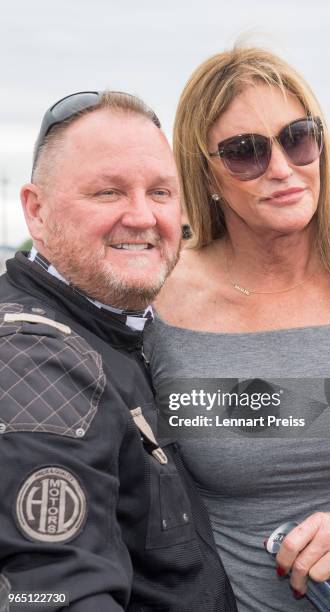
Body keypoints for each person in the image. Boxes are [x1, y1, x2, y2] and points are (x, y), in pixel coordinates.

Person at [143, 47, 330, 611]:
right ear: (205, 171)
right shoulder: (158, 299)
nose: (283, 168)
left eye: (298, 136)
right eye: (245, 153)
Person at [0, 91, 237, 612]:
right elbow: (53, 590)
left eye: (161, 193)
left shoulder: (121, 328)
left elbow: (267, 412)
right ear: (35, 211)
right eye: (108, 192)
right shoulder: (34, 359)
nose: (142, 216)